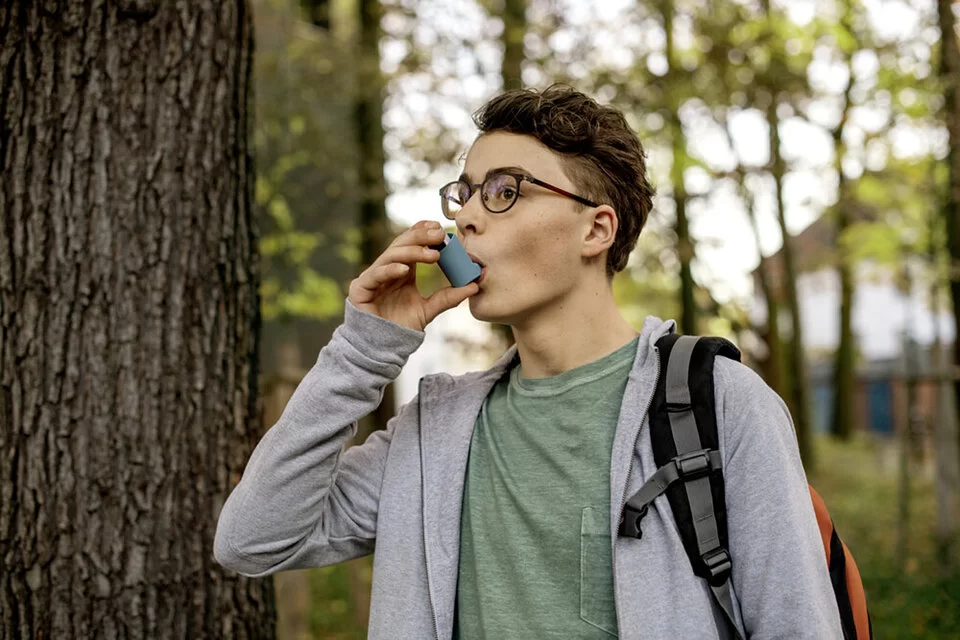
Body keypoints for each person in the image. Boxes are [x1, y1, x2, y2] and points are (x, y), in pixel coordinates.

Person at [214, 85, 843, 639]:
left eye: (504, 192)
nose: (463, 217)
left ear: (595, 231)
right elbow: (252, 541)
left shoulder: (721, 403)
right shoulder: (436, 432)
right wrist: (363, 350)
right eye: (465, 194)